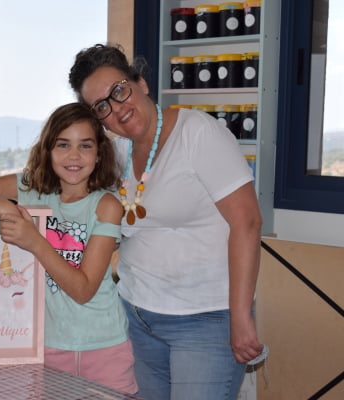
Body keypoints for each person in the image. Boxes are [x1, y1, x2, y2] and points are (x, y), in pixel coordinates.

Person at [68, 43, 264, 400]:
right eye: (102, 106)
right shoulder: (118, 153)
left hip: (204, 322)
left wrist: (240, 317)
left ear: (140, 83)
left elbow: (247, 223)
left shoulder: (198, 133)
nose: (116, 108)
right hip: (135, 317)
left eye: (119, 90)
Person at [0, 102, 138, 395]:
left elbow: (82, 290)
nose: (74, 155)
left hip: (104, 349)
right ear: (48, 150)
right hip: (46, 348)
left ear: (99, 154)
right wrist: (9, 210)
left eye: (85, 146)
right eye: (63, 145)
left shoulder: (106, 206)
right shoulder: (31, 189)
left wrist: (33, 240)